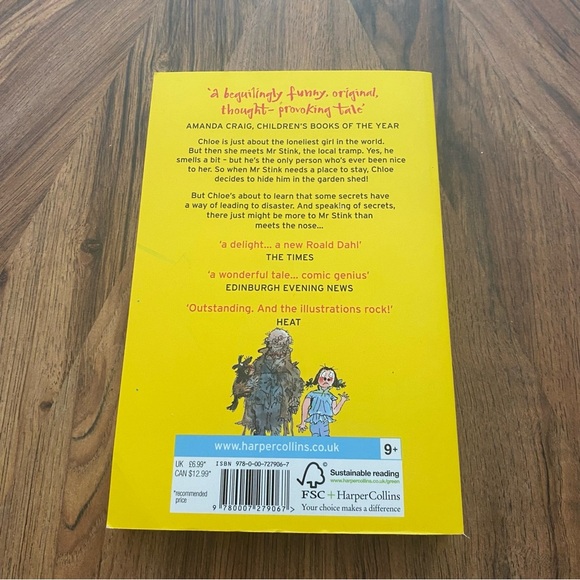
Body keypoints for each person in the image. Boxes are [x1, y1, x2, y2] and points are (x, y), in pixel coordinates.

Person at [298, 367, 349, 436]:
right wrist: (303, 423)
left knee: (325, 436)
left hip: (325, 422)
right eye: (323, 377)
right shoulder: (312, 394)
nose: (326, 380)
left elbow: (335, 411)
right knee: (315, 435)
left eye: (329, 378)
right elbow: (305, 407)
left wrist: (342, 400)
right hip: (314, 421)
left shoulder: (331, 397)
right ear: (317, 378)